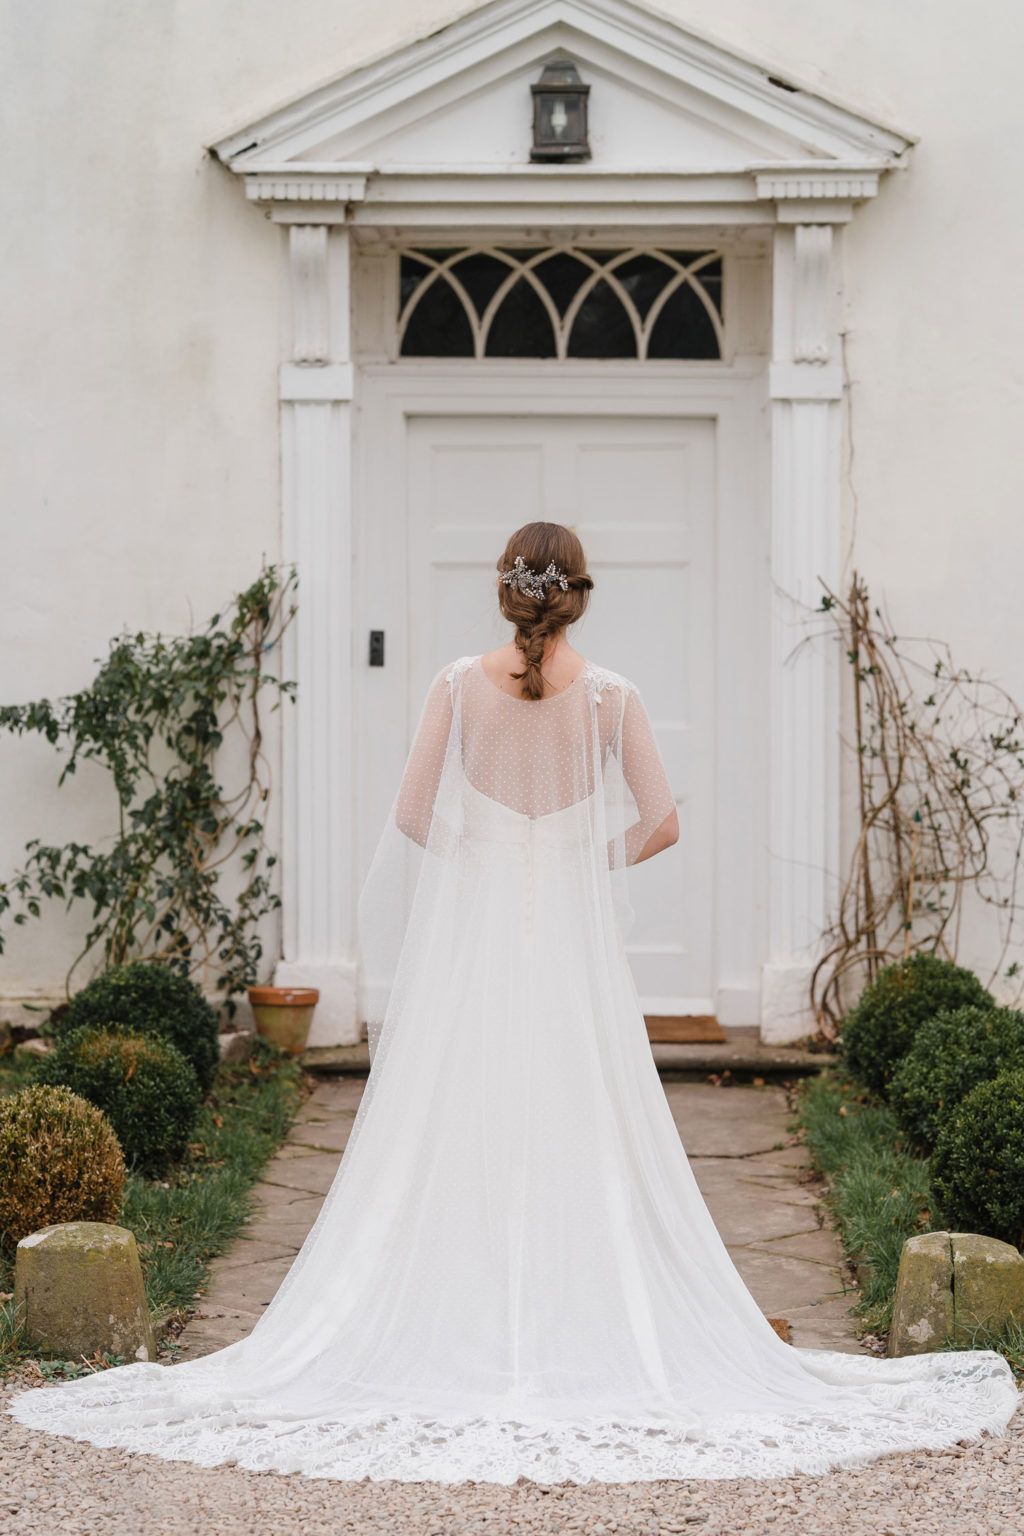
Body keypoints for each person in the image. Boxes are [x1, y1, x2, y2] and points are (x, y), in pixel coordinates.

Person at [8, 522, 1019, 1484]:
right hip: (568, 942)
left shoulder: (455, 685)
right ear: (576, 597)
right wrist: (581, 859)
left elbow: (412, 815)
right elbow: (662, 824)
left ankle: (463, 1307)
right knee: (581, 1107)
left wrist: (483, 865)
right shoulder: (613, 698)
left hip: (479, 936)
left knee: (454, 1109)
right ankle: (582, 1304)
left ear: (506, 590)